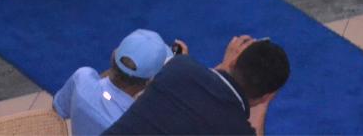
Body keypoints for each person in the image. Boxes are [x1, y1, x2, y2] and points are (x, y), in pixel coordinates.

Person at [104, 35, 290, 136]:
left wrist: (225, 66)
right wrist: (262, 105)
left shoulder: (179, 67)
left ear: (233, 61)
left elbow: (201, 90)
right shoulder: (239, 131)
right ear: (267, 96)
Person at [54, 30, 177, 136]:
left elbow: (59, 109)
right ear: (149, 82)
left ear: (113, 55)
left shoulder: (81, 78)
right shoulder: (142, 125)